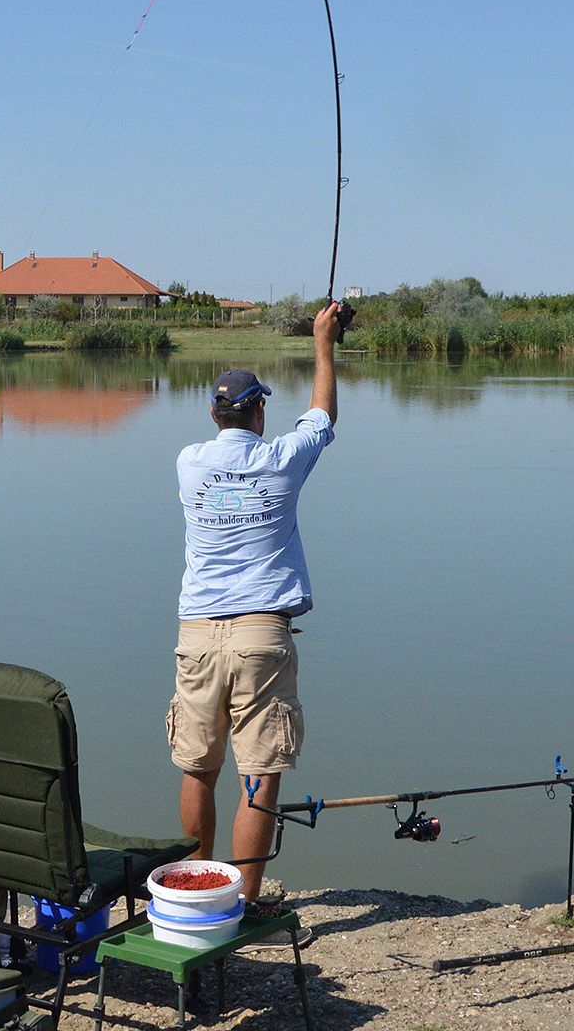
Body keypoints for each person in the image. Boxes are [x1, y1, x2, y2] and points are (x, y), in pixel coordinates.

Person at [167, 299, 342, 913]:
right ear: (261, 409)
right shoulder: (280, 462)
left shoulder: (190, 464)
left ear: (213, 413)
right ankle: (242, 900)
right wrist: (323, 341)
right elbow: (321, 415)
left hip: (197, 635)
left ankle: (194, 895)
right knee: (259, 772)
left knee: (198, 768)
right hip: (262, 636)